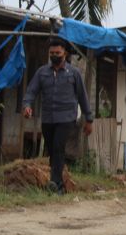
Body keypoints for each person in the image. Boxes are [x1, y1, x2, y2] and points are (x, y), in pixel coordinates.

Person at [23, 38, 93, 195]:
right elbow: (31, 91)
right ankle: (59, 184)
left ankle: (54, 182)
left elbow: (83, 97)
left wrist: (89, 119)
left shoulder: (74, 73)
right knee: (53, 150)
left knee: (58, 147)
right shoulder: (42, 72)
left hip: (66, 118)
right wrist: (27, 106)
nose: (54, 55)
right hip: (47, 118)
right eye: (52, 53)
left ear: (65, 54)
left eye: (58, 53)